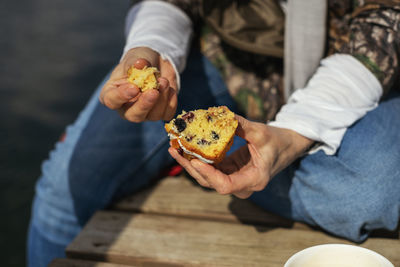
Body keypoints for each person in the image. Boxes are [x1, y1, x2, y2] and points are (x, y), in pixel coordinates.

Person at [27, 0, 400, 266]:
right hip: (221, 60)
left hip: (364, 72)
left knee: (363, 196)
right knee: (65, 191)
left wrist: (292, 134)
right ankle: (215, 160)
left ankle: (203, 165)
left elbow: (386, 22)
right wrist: (152, 49)